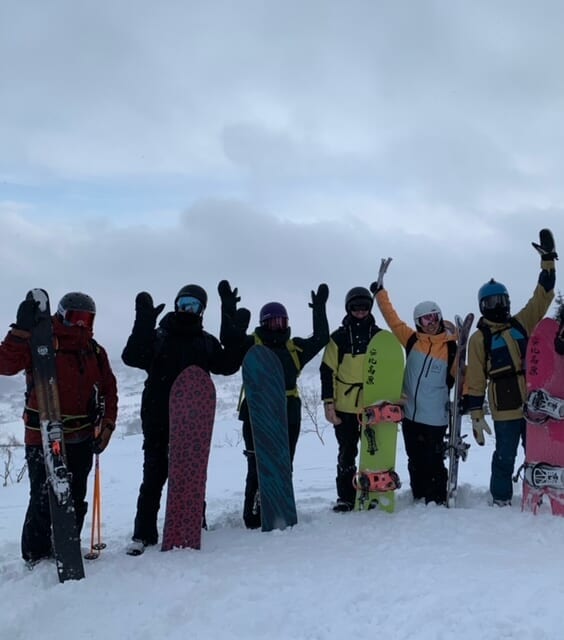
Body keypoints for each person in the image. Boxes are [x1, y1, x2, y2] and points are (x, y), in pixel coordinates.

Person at [122, 281, 248, 555]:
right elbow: (131, 357)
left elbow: (226, 366)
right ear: (176, 304)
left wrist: (233, 328)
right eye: (183, 304)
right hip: (158, 414)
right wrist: (143, 323)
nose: (187, 309)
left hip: (192, 418)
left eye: (193, 305)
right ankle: (143, 534)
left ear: (202, 311)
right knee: (154, 473)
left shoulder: (205, 342)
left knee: (192, 471)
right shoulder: (159, 336)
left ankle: (193, 523)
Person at [0, 291, 118, 566]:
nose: (80, 325)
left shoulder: (95, 351)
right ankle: (36, 555)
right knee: (43, 497)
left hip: (82, 435)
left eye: (86, 320)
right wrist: (20, 331)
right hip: (41, 435)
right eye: (75, 318)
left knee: (75, 495)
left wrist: (108, 425)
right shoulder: (42, 342)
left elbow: (109, 390)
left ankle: (66, 547)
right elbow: (5, 364)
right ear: (61, 315)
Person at [464, 229, 557, 506]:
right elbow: (476, 377)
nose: (498, 306)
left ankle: (539, 492)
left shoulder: (521, 323)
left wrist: (548, 261)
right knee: (505, 454)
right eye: (492, 302)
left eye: (501, 301)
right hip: (504, 406)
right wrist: (477, 414)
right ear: (483, 306)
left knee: (537, 451)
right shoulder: (480, 338)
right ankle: (501, 497)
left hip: (531, 403)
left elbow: (542, 296)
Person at [238, 284, 329, 529]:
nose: (277, 326)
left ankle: (279, 506)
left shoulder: (295, 348)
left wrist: (319, 309)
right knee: (257, 463)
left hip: (288, 412)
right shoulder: (252, 345)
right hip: (256, 412)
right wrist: (229, 311)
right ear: (263, 323)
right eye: (272, 322)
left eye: (281, 321)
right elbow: (230, 341)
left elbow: (321, 338)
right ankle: (254, 512)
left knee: (282, 463)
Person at [372, 260, 457, 505]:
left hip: (435, 417)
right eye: (425, 319)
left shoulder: (451, 348)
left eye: (434, 317)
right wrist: (380, 293)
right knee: (414, 458)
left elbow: (463, 377)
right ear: (419, 322)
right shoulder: (411, 340)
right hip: (410, 415)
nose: (430, 322)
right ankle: (419, 494)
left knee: (433, 459)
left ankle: (437, 497)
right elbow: (392, 319)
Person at [320, 286, 383, 512]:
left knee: (374, 452)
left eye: (364, 307)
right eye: (356, 307)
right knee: (347, 451)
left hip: (374, 406)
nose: (360, 311)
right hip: (346, 406)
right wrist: (329, 404)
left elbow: (388, 369)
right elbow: (327, 371)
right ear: (349, 308)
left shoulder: (378, 336)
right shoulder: (338, 338)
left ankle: (373, 492)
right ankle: (346, 496)